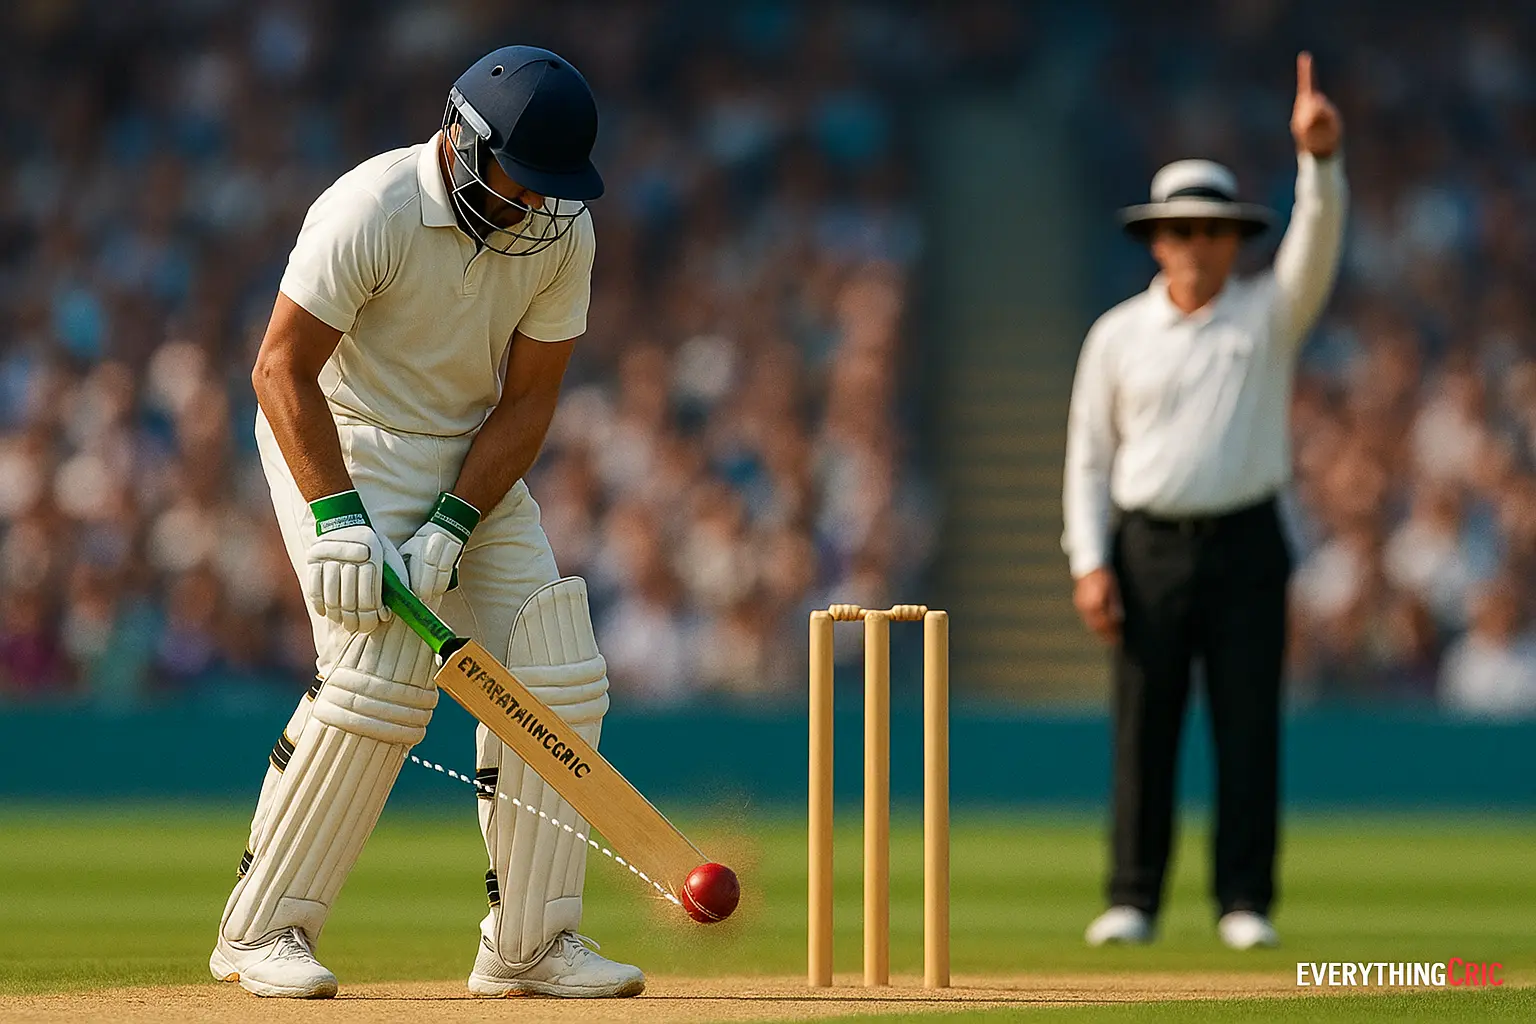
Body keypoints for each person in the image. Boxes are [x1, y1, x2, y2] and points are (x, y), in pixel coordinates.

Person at [208, 46, 646, 999]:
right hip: (344, 439)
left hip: (466, 459)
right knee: (380, 676)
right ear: (461, 142)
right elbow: (281, 368)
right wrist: (338, 519)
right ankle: (261, 931)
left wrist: (452, 520)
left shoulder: (563, 231)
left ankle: (529, 946)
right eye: (519, 184)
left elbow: (528, 404)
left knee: (558, 668)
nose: (533, 209)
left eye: (550, 192)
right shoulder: (371, 207)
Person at [1062, 54, 1347, 951]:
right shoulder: (1117, 335)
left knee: (1247, 724)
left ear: (1235, 239)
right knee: (1144, 728)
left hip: (1248, 543)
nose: (1196, 244)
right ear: (1156, 240)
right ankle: (1134, 897)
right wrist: (1092, 561)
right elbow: (1088, 459)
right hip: (1148, 546)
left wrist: (1320, 163)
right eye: (1180, 231)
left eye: (1213, 230)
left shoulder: (1266, 317)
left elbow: (1318, 246)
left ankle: (1243, 901)